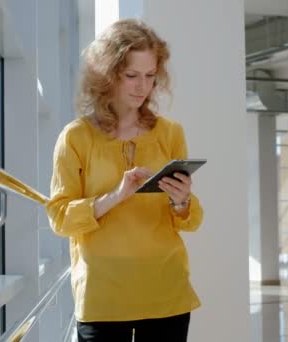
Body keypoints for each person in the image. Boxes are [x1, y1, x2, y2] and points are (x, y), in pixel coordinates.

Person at [46, 19, 204, 342]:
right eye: (131, 75)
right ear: (107, 75)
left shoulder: (170, 134)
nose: (141, 86)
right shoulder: (76, 137)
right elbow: (60, 218)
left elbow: (190, 222)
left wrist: (181, 201)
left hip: (166, 293)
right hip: (103, 298)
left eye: (149, 76)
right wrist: (116, 195)